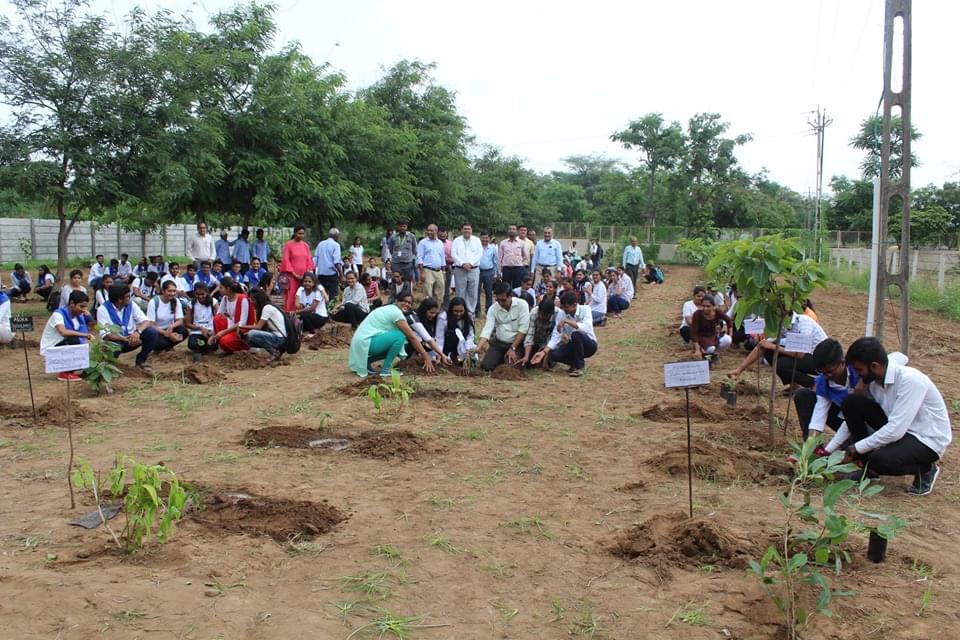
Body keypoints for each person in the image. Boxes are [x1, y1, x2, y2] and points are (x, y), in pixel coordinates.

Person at [828, 337, 951, 496]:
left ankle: (926, 468)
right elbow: (850, 419)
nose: (858, 376)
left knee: (879, 460)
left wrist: (855, 449)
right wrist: (829, 450)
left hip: (926, 438)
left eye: (859, 370)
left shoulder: (911, 381)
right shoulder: (873, 379)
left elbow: (895, 431)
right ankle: (868, 469)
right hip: (900, 428)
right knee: (851, 403)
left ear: (874, 366)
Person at [727, 312, 828, 388]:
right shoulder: (782, 324)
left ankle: (815, 385)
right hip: (804, 357)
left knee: (782, 363)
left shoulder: (803, 322)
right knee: (769, 352)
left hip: (819, 360)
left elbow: (801, 353)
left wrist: (773, 347)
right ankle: (795, 386)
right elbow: (762, 345)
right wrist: (739, 369)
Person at [348, 291, 435, 378]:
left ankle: (368, 362)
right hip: (365, 342)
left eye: (409, 303)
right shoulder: (396, 313)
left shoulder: (390, 308)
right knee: (400, 336)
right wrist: (426, 356)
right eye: (404, 301)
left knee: (399, 343)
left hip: (361, 342)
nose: (406, 304)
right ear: (397, 301)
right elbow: (412, 337)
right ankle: (386, 369)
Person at [793, 338, 859, 441]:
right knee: (803, 395)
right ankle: (813, 449)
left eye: (830, 371)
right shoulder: (823, 381)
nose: (827, 376)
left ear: (842, 362)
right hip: (842, 420)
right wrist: (810, 445)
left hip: (862, 423)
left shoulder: (858, 373)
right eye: (822, 372)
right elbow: (819, 415)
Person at [532, 290, 598, 377]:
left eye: (566, 307)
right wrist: (544, 352)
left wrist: (567, 321)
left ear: (574, 305)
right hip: (573, 345)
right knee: (554, 354)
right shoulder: (562, 313)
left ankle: (580, 367)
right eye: (563, 307)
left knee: (576, 334)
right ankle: (574, 363)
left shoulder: (586, 309)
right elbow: (556, 335)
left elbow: (587, 327)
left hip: (589, 345)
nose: (564, 310)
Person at [97, 283, 160, 373]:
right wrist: (126, 339)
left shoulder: (131, 304)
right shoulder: (103, 309)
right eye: (127, 296)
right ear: (119, 299)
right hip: (117, 341)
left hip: (133, 339)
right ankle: (109, 365)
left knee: (151, 332)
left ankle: (141, 361)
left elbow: (146, 321)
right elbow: (106, 335)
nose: (129, 298)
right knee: (111, 345)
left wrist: (137, 332)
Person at [39, 290, 96, 381]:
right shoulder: (58, 314)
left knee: (88, 348)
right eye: (81, 306)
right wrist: (85, 335)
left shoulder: (79, 316)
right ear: (72, 303)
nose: (83, 310)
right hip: (53, 349)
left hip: (65, 347)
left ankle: (75, 370)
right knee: (73, 339)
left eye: (85, 307)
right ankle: (65, 373)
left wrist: (89, 317)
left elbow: (94, 327)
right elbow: (63, 332)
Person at [476, 281, 530, 370]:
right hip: (499, 343)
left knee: (510, 368)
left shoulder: (522, 305)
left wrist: (513, 348)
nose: (500, 303)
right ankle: (500, 358)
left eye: (503, 300)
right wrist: (478, 348)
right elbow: (487, 330)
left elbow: (523, 329)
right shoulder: (493, 309)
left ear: (510, 296)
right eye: (498, 300)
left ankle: (509, 357)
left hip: (516, 344)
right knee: (486, 366)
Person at [238, 288, 287, 362]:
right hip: (277, 336)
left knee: (252, 334)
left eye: (253, 300)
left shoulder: (267, 308)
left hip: (280, 339)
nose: (251, 302)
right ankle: (275, 351)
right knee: (248, 337)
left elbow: (258, 327)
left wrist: (241, 326)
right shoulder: (266, 307)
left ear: (258, 300)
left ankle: (274, 352)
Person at [211, 278, 256, 354]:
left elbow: (242, 323)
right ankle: (222, 343)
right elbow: (219, 314)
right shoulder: (225, 298)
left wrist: (223, 332)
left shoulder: (243, 299)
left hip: (242, 330)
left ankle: (244, 347)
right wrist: (213, 333)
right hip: (232, 326)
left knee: (224, 341)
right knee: (217, 318)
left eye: (221, 287)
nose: (219, 290)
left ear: (228, 289)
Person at [280, 225, 315, 312]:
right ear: (295, 233)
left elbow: (309, 260)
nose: (301, 235)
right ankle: (289, 312)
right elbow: (286, 260)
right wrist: (294, 274)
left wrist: (306, 274)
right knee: (292, 294)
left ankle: (301, 312)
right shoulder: (288, 245)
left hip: (304, 276)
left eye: (303, 234)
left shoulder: (305, 245)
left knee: (304, 293)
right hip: (292, 275)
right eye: (299, 233)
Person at [146, 280, 189, 353]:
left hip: (170, 329)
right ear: (163, 291)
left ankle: (167, 346)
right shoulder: (153, 302)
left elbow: (180, 320)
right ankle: (162, 346)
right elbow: (151, 324)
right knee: (160, 341)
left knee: (184, 332)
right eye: (169, 291)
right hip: (158, 331)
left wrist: (172, 326)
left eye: (174, 291)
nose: (172, 293)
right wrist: (167, 334)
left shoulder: (176, 301)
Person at [452, 223, 483, 315]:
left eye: (468, 229)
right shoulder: (456, 241)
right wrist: (463, 263)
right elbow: (454, 254)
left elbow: (479, 254)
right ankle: (459, 311)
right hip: (460, 269)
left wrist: (470, 263)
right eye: (465, 229)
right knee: (460, 291)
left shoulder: (477, 240)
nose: (467, 231)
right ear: (461, 230)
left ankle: (471, 312)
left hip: (473, 269)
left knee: (473, 292)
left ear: (471, 230)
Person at [435, 297, 476, 365]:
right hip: (447, 345)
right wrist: (439, 354)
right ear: (451, 309)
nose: (458, 314)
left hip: (462, 346)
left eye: (461, 311)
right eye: (456, 311)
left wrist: (467, 352)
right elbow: (439, 338)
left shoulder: (468, 317)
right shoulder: (444, 317)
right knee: (453, 333)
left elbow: (470, 336)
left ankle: (459, 358)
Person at [185, 282, 219, 360]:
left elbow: (219, 318)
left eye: (202, 294)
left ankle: (202, 349)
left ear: (207, 292)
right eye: (197, 294)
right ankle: (204, 349)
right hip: (197, 331)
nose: (200, 296)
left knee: (213, 344)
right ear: (194, 294)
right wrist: (200, 328)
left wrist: (213, 331)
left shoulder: (213, 302)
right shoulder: (191, 304)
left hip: (211, 331)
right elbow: (187, 323)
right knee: (192, 344)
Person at [521, 298, 558, 368]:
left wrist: (545, 360)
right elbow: (530, 335)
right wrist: (526, 356)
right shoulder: (534, 313)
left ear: (551, 314)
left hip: (548, 345)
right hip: (536, 342)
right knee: (529, 362)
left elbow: (554, 338)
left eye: (544, 316)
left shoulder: (558, 315)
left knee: (551, 360)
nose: (541, 317)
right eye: (540, 314)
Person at [417, 224, 446, 301]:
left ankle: (437, 311)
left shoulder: (440, 243)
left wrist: (443, 272)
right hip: (427, 270)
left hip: (439, 271)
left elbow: (442, 257)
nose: (429, 232)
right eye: (428, 230)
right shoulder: (423, 242)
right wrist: (422, 272)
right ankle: (427, 312)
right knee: (427, 294)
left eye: (431, 230)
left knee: (440, 293)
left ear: (436, 231)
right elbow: (419, 257)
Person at [314, 227, 344, 298]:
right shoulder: (336, 245)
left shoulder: (320, 244)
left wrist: (314, 273)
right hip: (331, 274)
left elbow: (315, 259)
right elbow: (337, 262)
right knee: (333, 295)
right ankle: (331, 308)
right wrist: (342, 275)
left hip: (321, 274)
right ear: (336, 235)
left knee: (321, 294)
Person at [498, 224, 528, 290]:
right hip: (506, 269)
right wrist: (499, 272)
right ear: (507, 231)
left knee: (517, 288)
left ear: (517, 231)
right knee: (506, 288)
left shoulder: (522, 243)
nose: (511, 230)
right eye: (510, 229)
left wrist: (519, 261)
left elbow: (525, 256)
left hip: (518, 269)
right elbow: (500, 258)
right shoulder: (503, 243)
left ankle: (516, 300)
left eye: (513, 229)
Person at [388, 222, 418, 287]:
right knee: (395, 279)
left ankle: (407, 295)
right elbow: (390, 249)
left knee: (407, 279)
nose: (402, 228)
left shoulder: (412, 236)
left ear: (406, 227)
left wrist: (409, 257)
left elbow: (414, 248)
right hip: (396, 263)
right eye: (400, 226)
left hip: (407, 263)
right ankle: (395, 295)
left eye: (404, 226)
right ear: (398, 227)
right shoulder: (393, 237)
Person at [477, 230, 498, 314]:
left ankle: (489, 310)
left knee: (489, 292)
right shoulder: (476, 247)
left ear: (489, 238)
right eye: (483, 237)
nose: (484, 239)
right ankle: (477, 311)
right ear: (480, 238)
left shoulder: (493, 248)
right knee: (476, 292)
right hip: (477, 271)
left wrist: (495, 274)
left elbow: (495, 261)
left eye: (486, 238)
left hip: (489, 272)